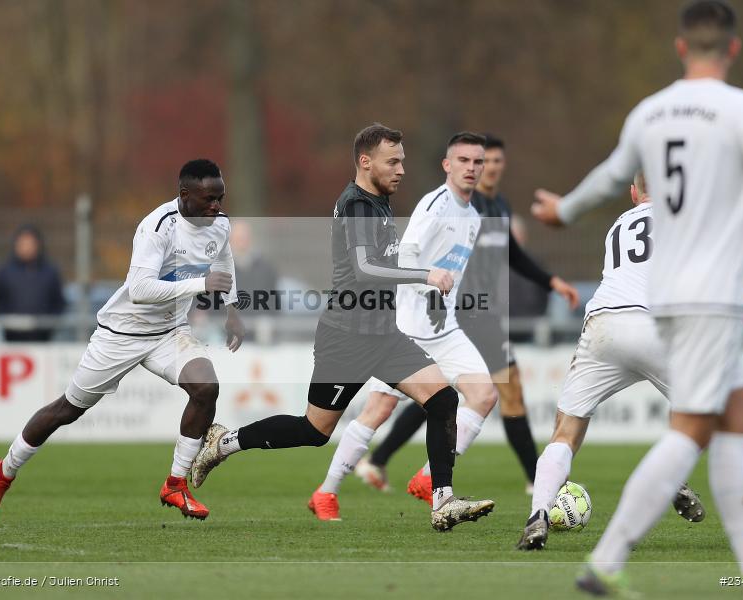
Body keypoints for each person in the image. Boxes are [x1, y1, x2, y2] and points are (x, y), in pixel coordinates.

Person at [531, 2, 743, 594]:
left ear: (680, 48)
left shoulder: (651, 112)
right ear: (733, 49)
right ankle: (612, 560)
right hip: (707, 299)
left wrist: (563, 210)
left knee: (734, 417)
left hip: (667, 300)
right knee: (700, 427)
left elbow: (608, 177)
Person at [190, 123, 496, 532]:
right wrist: (426, 275)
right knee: (315, 430)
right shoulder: (356, 205)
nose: (401, 169)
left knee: (443, 400)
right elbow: (365, 268)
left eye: (402, 161)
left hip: (385, 335)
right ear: (365, 162)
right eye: (393, 162)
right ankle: (225, 442)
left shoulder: (379, 200)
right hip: (346, 338)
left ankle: (442, 500)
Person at [0, 159, 245, 526]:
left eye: (220, 198)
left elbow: (224, 259)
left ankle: (175, 484)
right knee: (67, 410)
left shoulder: (219, 224)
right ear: (184, 195)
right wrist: (201, 284)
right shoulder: (157, 227)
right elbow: (140, 291)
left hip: (169, 331)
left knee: (206, 387)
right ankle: (4, 473)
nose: (216, 206)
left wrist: (231, 309)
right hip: (122, 333)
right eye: (209, 199)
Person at [518, 172, 743, 551]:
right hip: (656, 326)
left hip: (603, 325)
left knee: (565, 432)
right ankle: (669, 476)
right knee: (709, 413)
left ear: (632, 193)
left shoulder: (619, 224)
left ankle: (537, 514)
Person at [356, 135, 579, 497]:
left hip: (478, 313)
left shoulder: (496, 206)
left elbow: (513, 254)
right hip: (460, 313)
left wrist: (552, 282)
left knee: (447, 395)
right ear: (456, 165)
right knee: (488, 392)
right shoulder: (456, 204)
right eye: (477, 161)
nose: (485, 168)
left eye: (492, 162)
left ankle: (383, 460)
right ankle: (533, 477)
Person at [309, 132, 500, 520]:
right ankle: (326, 491)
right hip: (410, 323)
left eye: (478, 161)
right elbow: (405, 257)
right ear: (447, 165)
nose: (471, 168)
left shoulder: (473, 215)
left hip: (444, 327)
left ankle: (430, 479)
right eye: (463, 160)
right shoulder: (434, 206)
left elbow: (453, 272)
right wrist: (426, 287)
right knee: (378, 409)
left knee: (483, 395)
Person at [0, 224, 67, 342]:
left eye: (30, 244)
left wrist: (47, 323)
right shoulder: (4, 272)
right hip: (11, 338)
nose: (26, 248)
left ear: (38, 245)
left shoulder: (50, 272)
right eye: (23, 244)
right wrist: (7, 321)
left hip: (43, 339)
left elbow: (58, 303)